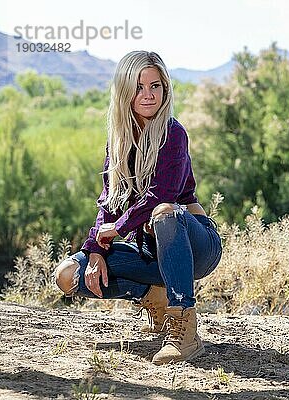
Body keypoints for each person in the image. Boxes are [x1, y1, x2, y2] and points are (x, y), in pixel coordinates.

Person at [53, 50, 222, 365]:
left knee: (164, 213)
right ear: (124, 91)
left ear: (165, 89)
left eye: (155, 86)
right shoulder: (118, 141)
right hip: (150, 253)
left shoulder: (173, 134)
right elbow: (109, 202)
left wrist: (117, 230)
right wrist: (95, 250)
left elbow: (161, 196)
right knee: (68, 276)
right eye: (139, 87)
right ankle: (154, 296)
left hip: (195, 246)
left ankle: (185, 330)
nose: (148, 95)